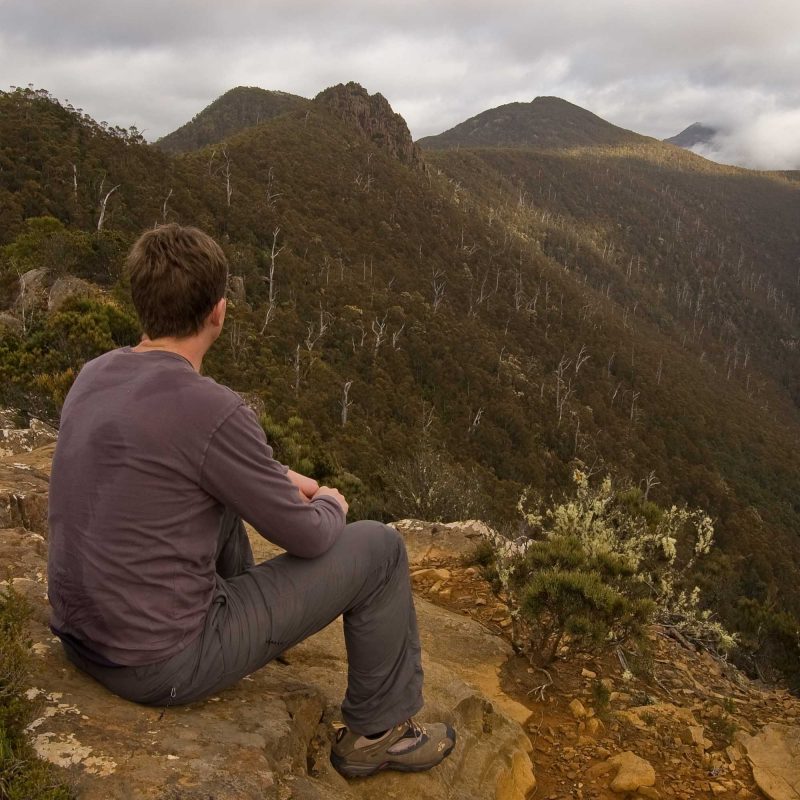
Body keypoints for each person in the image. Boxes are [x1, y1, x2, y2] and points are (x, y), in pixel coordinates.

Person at [46, 223, 455, 778]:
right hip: (162, 662)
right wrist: (330, 499)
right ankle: (379, 733)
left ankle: (253, 632)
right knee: (380, 548)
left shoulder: (96, 374)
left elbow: (185, 457)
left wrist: (282, 476)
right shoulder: (213, 407)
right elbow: (309, 537)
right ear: (219, 312)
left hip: (84, 638)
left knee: (222, 500)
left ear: (139, 302)